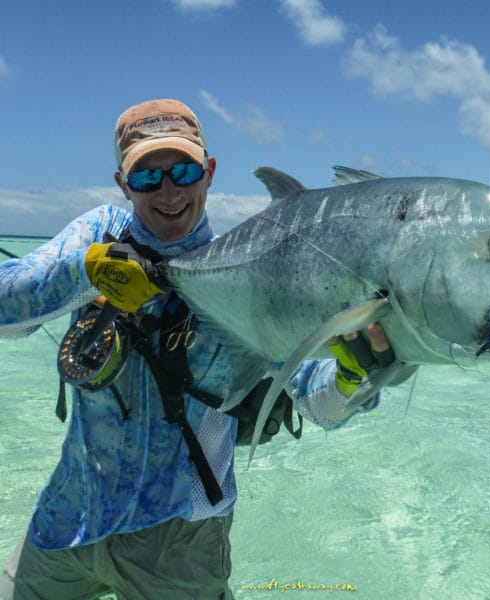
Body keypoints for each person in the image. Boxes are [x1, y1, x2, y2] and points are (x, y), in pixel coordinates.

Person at [0, 99, 394, 600]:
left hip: (181, 541)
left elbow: (317, 404)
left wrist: (354, 377)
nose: (168, 191)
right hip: (69, 516)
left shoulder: (248, 268)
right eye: (146, 177)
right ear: (123, 186)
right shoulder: (98, 233)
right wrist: (82, 270)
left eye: (183, 171)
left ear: (208, 173)